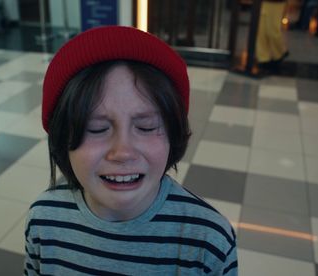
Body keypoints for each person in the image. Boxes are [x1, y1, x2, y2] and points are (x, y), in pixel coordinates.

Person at [24, 25, 238, 275]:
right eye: (96, 128)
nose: (123, 152)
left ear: (174, 133)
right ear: (62, 139)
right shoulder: (44, 220)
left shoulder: (208, 240)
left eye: (147, 127)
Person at [256, 0, 289, 72]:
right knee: (261, 30)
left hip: (276, 3)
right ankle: (263, 58)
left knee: (273, 31)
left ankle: (279, 52)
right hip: (262, 2)